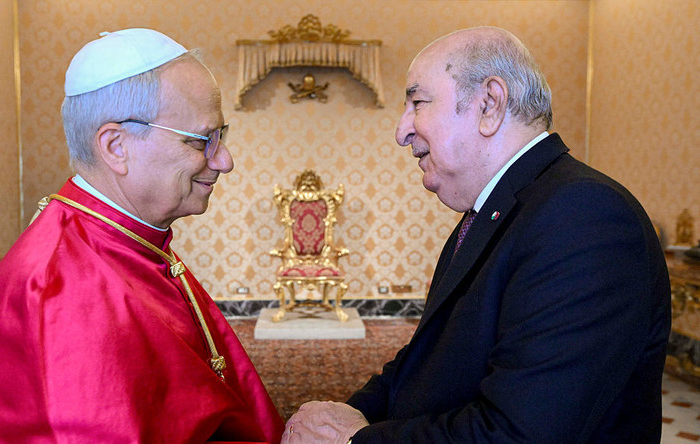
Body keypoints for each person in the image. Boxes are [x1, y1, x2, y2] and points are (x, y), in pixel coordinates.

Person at [282, 26, 670, 444]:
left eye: (417, 103)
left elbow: (521, 432)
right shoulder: (498, 209)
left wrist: (354, 440)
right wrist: (355, 410)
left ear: (489, 104)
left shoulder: (583, 215)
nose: (402, 131)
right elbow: (431, 357)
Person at [0, 28, 283, 443]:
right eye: (202, 141)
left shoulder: (123, 239)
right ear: (116, 146)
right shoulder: (61, 289)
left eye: (222, 136)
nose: (224, 160)